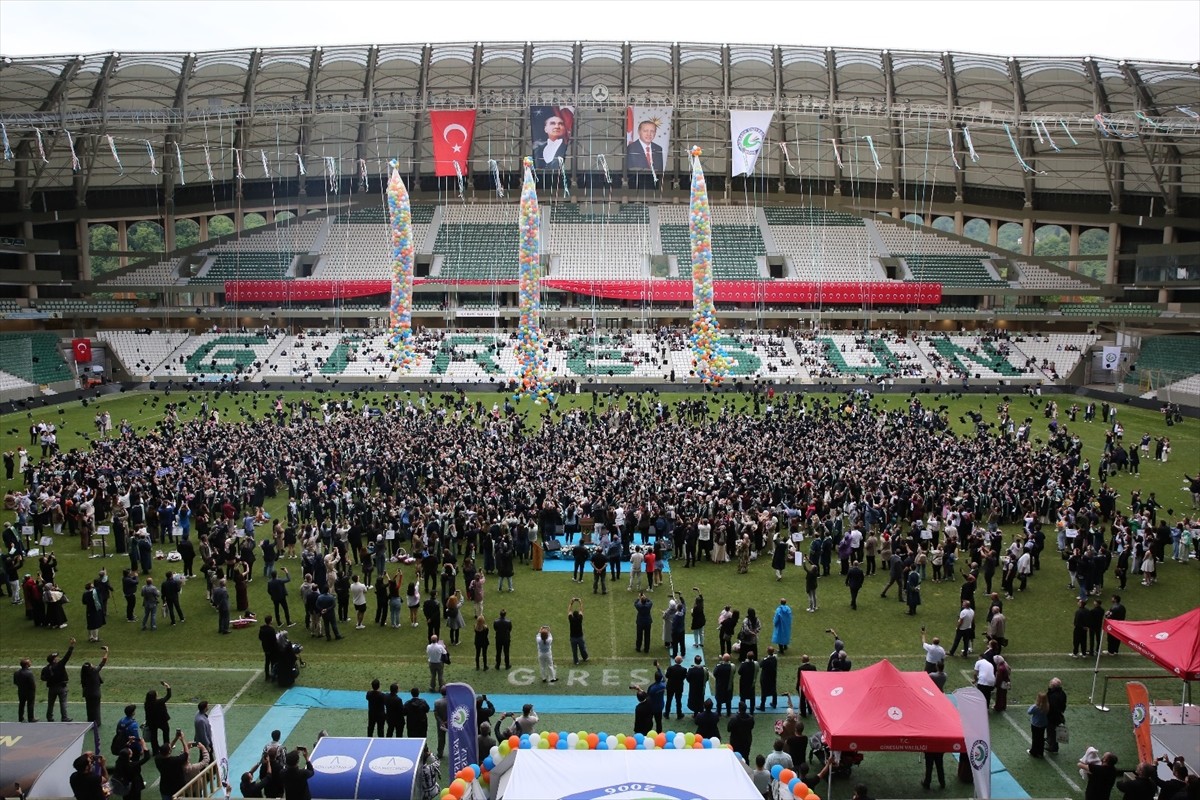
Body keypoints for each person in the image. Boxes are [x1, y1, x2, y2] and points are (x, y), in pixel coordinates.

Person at [41, 638, 75, 721]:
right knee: (63, 703)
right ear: (54, 659)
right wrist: (71, 646)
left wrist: (50, 678)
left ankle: (49, 717)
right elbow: (67, 656)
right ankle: (64, 717)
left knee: (50, 704)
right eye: (56, 657)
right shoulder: (60, 665)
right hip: (61, 687)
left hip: (51, 688)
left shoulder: (45, 669)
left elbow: (43, 678)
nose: (58, 658)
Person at [80, 646, 109, 725]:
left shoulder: (83, 675)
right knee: (96, 708)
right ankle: (97, 723)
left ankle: (90, 722)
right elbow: (103, 662)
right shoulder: (94, 672)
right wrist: (106, 652)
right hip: (95, 694)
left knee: (89, 708)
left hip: (87, 694)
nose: (93, 665)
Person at [144, 683, 172, 752]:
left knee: (153, 736)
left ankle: (155, 750)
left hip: (152, 722)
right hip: (162, 721)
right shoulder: (160, 702)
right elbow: (168, 696)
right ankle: (166, 749)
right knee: (166, 733)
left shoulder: (147, 703)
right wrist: (168, 687)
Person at [1046, 677, 1067, 754]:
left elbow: (1051, 707)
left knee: (1052, 731)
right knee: (1052, 731)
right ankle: (1050, 741)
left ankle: (1054, 748)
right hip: (1058, 715)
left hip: (1053, 716)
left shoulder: (1053, 695)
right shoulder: (1062, 693)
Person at [13, 657, 37, 722]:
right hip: (29, 691)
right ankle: (31, 718)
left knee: (21, 704)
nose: (30, 663)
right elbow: (32, 683)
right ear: (26, 665)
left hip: (21, 690)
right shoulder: (29, 673)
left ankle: (20, 718)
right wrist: (33, 689)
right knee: (30, 704)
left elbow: (15, 682)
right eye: (29, 662)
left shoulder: (16, 673)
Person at [1027, 691, 1049, 758]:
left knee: (1035, 738)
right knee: (1041, 738)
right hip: (1043, 724)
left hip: (1035, 725)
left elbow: (1029, 712)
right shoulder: (1047, 706)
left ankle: (1033, 752)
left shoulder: (1035, 707)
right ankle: (1040, 752)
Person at [567, 598, 589, 664]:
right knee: (582, 648)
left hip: (573, 637)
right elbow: (581, 610)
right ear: (578, 615)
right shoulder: (580, 619)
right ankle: (585, 658)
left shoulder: (571, 619)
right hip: (580, 637)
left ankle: (576, 661)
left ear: (573, 615)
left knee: (574, 650)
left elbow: (569, 611)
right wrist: (580, 602)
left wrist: (571, 603)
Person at [664, 655, 687, 720]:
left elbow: (667, 676)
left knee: (669, 700)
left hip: (670, 686)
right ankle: (679, 714)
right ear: (681, 661)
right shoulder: (684, 669)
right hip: (679, 687)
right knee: (678, 701)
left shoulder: (670, 668)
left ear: (675, 661)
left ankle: (667, 714)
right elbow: (684, 677)